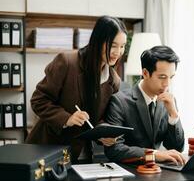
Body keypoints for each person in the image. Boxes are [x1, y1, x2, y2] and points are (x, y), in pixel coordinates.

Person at [25, 16, 127, 163]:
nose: (118, 52)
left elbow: (101, 119)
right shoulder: (67, 62)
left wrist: (104, 133)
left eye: (122, 46)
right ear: (98, 41)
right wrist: (67, 118)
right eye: (113, 45)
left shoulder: (113, 80)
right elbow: (38, 100)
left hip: (82, 156)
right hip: (47, 151)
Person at [104, 45, 186, 165]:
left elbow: (176, 148)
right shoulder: (119, 101)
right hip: (129, 174)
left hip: (160, 173)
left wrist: (173, 115)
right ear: (145, 73)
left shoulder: (169, 101)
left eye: (171, 77)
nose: (167, 84)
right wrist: (153, 154)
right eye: (162, 77)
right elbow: (114, 150)